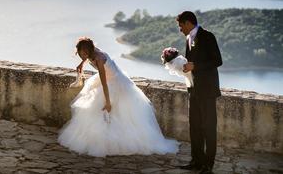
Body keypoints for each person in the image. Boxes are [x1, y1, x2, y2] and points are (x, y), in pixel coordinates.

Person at [58, 37, 179, 157]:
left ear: (89, 50)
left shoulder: (99, 59)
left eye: (84, 53)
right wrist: (81, 64)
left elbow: (104, 82)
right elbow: (88, 59)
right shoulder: (92, 52)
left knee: (113, 112)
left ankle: (110, 142)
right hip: (109, 79)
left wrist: (108, 102)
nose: (82, 55)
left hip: (115, 82)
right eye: (80, 53)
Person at [176, 11, 222, 174]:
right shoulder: (188, 39)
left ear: (188, 23)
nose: (180, 30)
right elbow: (191, 64)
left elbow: (217, 60)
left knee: (209, 128)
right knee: (194, 127)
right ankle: (196, 161)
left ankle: (208, 165)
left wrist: (195, 65)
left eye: (181, 26)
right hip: (194, 90)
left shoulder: (207, 36)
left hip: (208, 91)